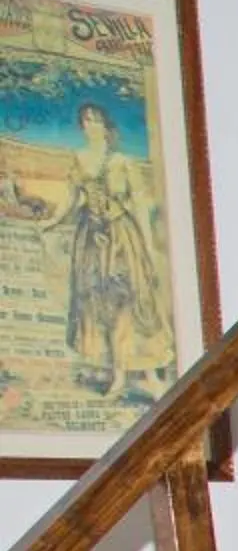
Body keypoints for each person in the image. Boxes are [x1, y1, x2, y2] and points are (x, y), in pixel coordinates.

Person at [53, 101, 174, 404]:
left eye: (96, 120)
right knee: (100, 304)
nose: (91, 126)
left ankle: (151, 375)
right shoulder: (78, 160)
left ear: (106, 128)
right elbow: (70, 201)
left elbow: (140, 206)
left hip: (123, 236)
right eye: (86, 120)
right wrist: (50, 221)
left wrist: (147, 246)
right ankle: (118, 376)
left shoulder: (123, 162)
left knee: (133, 301)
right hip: (91, 240)